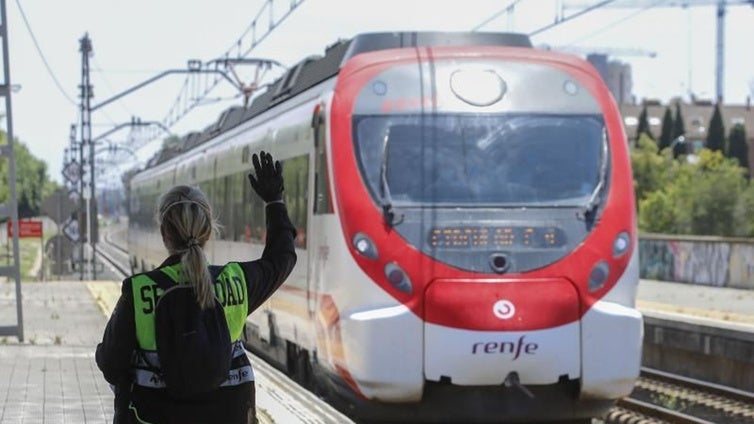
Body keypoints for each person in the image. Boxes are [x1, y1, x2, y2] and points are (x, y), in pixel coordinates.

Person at [96, 151, 297, 424]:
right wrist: (274, 202)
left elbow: (111, 364)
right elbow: (281, 258)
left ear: (165, 233)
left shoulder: (139, 290)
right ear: (208, 231)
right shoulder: (235, 281)